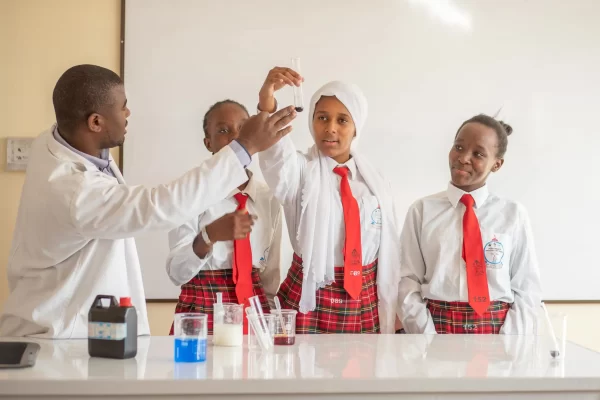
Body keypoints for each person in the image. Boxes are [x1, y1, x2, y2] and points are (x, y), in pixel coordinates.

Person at [0, 64, 296, 338]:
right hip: (60, 333)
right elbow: (161, 206)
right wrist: (244, 146)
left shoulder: (60, 146)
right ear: (95, 122)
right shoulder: (74, 191)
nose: (128, 113)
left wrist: (263, 113)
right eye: (122, 106)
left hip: (81, 327)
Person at [258, 69, 401, 334]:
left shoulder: (375, 183)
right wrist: (267, 101)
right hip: (309, 296)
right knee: (303, 372)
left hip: (364, 298)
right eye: (322, 117)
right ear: (311, 121)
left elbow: (387, 248)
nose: (330, 128)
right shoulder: (300, 171)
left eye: (342, 120)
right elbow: (276, 152)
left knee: (364, 371)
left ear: (357, 125)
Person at [398, 115, 542, 334]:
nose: (464, 158)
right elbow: (407, 280)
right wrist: (426, 336)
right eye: (459, 147)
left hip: (497, 331)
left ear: (497, 164)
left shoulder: (513, 215)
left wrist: (507, 341)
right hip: (435, 328)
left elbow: (526, 287)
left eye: (478, 154)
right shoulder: (422, 210)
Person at [166, 99, 282, 334]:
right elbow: (177, 272)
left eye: (243, 128)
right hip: (202, 306)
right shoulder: (191, 193)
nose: (235, 138)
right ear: (208, 143)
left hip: (254, 309)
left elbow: (270, 275)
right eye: (223, 130)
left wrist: (270, 320)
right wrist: (209, 236)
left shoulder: (269, 198)